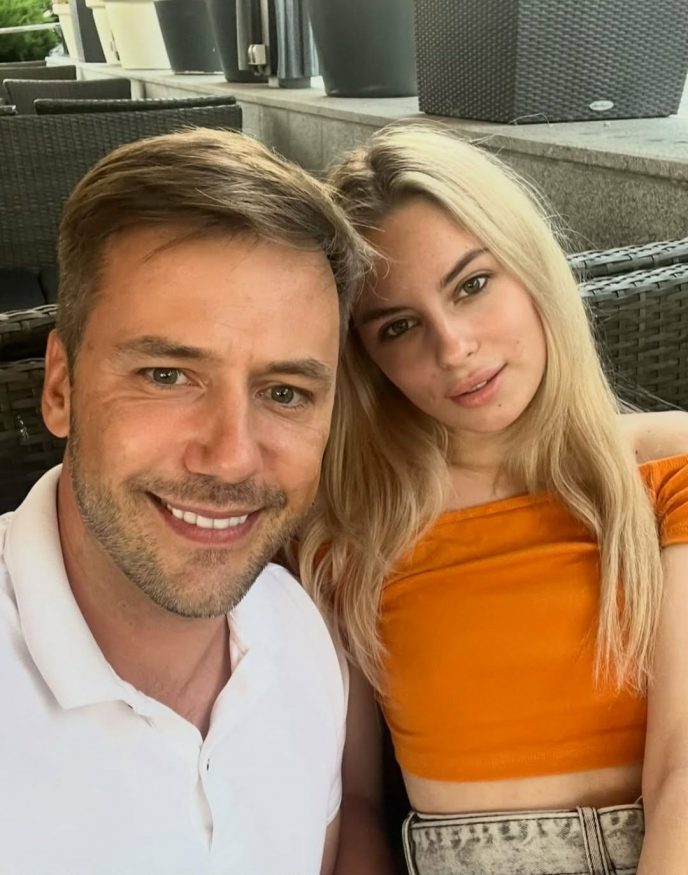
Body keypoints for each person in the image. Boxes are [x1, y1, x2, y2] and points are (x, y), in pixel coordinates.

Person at [297, 124, 688, 875]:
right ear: (369, 359)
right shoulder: (349, 536)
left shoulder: (669, 468)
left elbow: (683, 771)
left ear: (528, 265)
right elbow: (352, 807)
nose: (454, 348)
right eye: (399, 326)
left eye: (472, 285)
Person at [0, 128, 375, 875]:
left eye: (284, 392)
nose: (232, 456)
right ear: (61, 388)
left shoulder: (295, 632)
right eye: (167, 376)